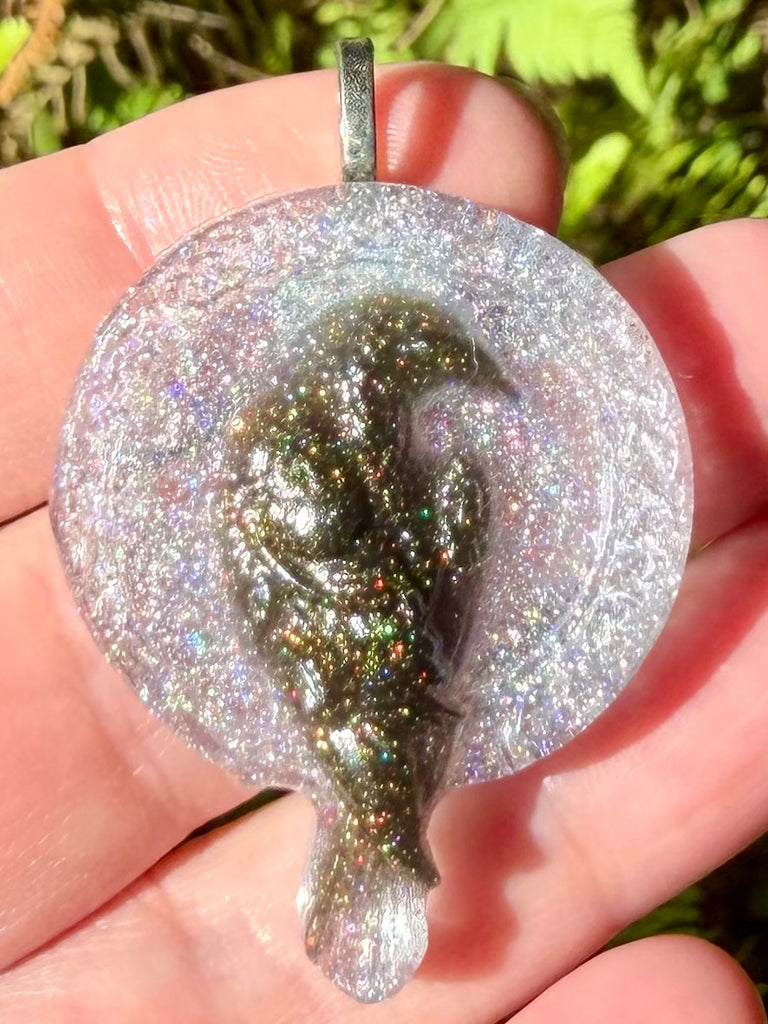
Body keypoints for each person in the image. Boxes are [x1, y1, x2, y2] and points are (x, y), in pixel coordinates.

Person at [0, 62, 765, 1023]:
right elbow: (340, 572)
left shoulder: (406, 477)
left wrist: (443, 539)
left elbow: (409, 593)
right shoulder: (292, 457)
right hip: (349, 647)